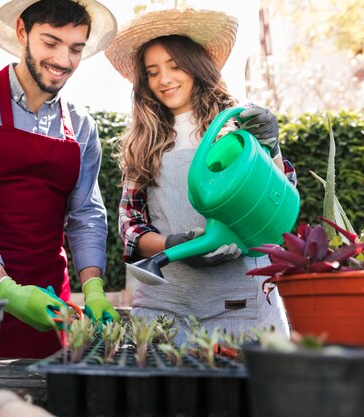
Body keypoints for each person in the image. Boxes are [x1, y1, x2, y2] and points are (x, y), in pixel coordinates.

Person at [0, 0, 120, 359]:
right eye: (51, 43)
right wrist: (5, 289)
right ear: (22, 32)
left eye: (75, 49)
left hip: (49, 311)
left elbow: (86, 216)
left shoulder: (81, 127)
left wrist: (93, 287)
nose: (64, 60)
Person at [105, 8, 296, 344]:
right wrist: (172, 245)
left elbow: (278, 206)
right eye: (153, 72)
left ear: (196, 67)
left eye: (175, 66)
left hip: (240, 303)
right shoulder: (142, 142)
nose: (164, 79)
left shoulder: (237, 130)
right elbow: (131, 226)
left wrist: (269, 147)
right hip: (167, 305)